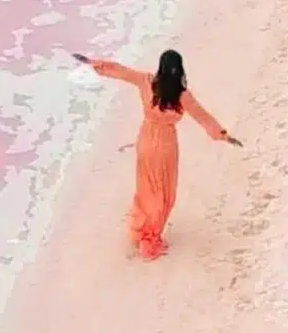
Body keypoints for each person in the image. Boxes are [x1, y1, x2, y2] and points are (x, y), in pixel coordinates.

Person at [73, 48, 241, 260]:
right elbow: (203, 117)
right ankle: (150, 236)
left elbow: (121, 71)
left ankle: (141, 230)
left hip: (145, 140)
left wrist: (93, 63)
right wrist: (223, 135)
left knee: (146, 189)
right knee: (163, 194)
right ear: (180, 70)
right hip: (165, 145)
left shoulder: (146, 81)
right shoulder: (182, 95)